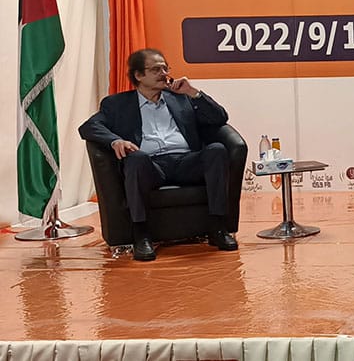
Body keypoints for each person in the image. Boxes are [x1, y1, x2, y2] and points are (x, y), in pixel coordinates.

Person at [78, 49, 238, 261]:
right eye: (156, 70)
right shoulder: (117, 104)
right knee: (135, 158)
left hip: (185, 161)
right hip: (151, 165)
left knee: (216, 150)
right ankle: (141, 235)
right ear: (138, 75)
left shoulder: (181, 98)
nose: (163, 73)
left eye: (165, 68)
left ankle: (218, 228)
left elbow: (219, 118)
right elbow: (89, 127)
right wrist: (115, 140)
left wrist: (193, 93)